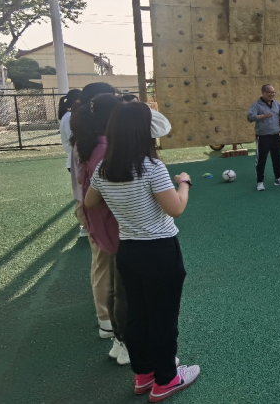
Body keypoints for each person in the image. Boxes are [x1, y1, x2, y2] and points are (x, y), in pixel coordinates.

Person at [85, 102, 200, 402]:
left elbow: (91, 202)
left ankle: (144, 374)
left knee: (138, 314)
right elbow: (175, 208)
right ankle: (167, 379)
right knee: (163, 317)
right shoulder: (151, 167)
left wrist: (122, 201)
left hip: (129, 251)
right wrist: (184, 183)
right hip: (159, 251)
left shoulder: (105, 167)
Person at [77, 93, 131, 364]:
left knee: (107, 272)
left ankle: (114, 333)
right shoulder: (104, 150)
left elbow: (82, 183)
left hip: (96, 217)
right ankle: (115, 330)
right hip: (108, 219)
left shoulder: (91, 144)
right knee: (119, 283)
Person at [69, 82, 118, 338]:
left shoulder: (86, 140)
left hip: (91, 207)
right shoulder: (100, 147)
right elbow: (98, 187)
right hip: (99, 210)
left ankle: (106, 316)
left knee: (102, 263)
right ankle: (106, 319)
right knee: (104, 264)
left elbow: (80, 178)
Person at [247, 84, 280, 191]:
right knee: (261, 160)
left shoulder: (277, 104)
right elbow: (250, 117)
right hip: (263, 137)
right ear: (263, 92)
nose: (272, 94)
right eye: (269, 92)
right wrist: (264, 116)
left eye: (273, 92)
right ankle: (260, 182)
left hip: (275, 136)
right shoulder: (257, 104)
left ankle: (278, 179)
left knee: (277, 158)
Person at [58, 89, 86, 237]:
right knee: (84, 195)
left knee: (84, 193)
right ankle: (85, 225)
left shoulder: (68, 116)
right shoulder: (70, 117)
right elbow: (74, 139)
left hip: (76, 159)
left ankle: (86, 224)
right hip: (77, 160)